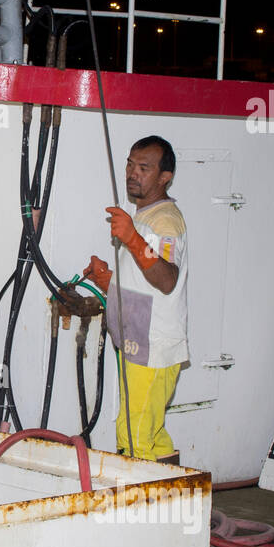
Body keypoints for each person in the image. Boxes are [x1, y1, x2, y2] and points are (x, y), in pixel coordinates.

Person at [82, 136, 188, 464]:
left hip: (153, 348)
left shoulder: (165, 219)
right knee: (153, 437)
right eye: (130, 164)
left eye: (144, 168)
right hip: (138, 342)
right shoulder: (143, 216)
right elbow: (145, 283)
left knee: (134, 437)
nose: (132, 173)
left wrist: (130, 237)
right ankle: (174, 503)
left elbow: (167, 279)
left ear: (164, 177)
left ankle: (141, 514)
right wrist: (107, 281)